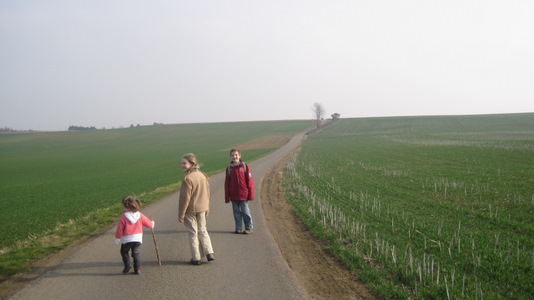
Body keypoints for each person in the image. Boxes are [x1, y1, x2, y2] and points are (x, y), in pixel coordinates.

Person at [178, 153, 215, 265]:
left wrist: (181, 214)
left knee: (193, 233)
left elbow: (185, 199)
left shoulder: (187, 179)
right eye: (182, 163)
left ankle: (196, 258)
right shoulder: (203, 176)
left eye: (184, 163)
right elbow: (207, 194)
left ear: (192, 164)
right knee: (203, 230)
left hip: (190, 210)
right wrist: (207, 209)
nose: (182, 165)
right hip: (202, 209)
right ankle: (209, 253)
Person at [114, 195, 155, 275]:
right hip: (138, 239)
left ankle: (128, 264)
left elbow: (120, 229)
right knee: (135, 252)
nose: (123, 210)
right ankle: (137, 269)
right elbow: (149, 225)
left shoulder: (124, 217)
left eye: (123, 208)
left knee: (124, 252)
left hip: (127, 239)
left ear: (127, 207)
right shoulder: (139, 215)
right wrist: (152, 223)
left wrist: (117, 238)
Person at [224, 148, 254, 234]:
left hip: (243, 194)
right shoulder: (229, 168)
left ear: (240, 156)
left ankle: (249, 227)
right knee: (236, 212)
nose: (234, 157)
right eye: (232, 155)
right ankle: (238, 227)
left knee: (245, 211)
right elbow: (227, 183)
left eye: (236, 155)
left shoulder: (245, 166)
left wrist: (250, 194)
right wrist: (227, 197)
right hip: (233, 195)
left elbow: (249, 181)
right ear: (230, 157)